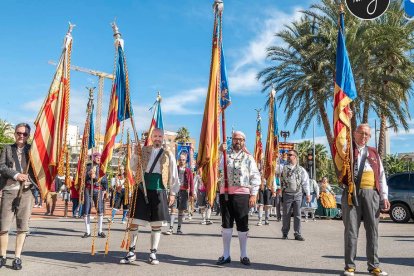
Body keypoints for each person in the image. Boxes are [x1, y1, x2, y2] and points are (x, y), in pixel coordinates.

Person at [120, 128, 179, 265]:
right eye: (155, 136)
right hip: (142, 188)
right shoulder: (143, 150)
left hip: (159, 190)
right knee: (135, 221)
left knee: (157, 224)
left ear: (163, 138)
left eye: (160, 136)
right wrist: (135, 154)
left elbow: (173, 173)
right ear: (151, 137)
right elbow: (133, 167)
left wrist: (173, 192)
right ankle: (131, 252)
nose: (157, 138)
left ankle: (153, 253)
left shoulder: (168, 154)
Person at [342, 124, 390, 276]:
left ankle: (374, 265)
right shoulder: (347, 150)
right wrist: (346, 120)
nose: (364, 136)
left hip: (372, 194)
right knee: (351, 230)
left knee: (372, 231)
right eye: (361, 133)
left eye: (367, 135)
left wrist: (384, 196)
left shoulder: (374, 152)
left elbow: (381, 176)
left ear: (369, 137)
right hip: (352, 192)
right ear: (355, 133)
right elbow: (340, 142)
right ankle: (350, 266)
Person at [216, 131, 261, 266]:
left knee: (242, 224)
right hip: (225, 194)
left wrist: (253, 194)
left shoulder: (248, 158)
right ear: (232, 140)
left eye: (241, 139)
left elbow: (255, 176)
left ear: (244, 142)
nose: (238, 142)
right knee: (226, 224)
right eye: (235, 139)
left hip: (242, 194)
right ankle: (226, 254)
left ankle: (244, 255)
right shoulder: (224, 155)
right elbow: (215, 168)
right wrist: (219, 152)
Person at [0, 123, 36, 270]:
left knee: (22, 227)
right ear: (15, 134)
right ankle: (2, 256)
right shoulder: (8, 148)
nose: (21, 136)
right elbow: (1, 166)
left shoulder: (33, 150)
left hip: (26, 192)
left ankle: (17, 257)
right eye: (19, 133)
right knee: (3, 226)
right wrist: (16, 175)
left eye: (25, 134)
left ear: (28, 136)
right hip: (9, 190)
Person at [280, 149, 310, 241]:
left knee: (297, 214)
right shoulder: (282, 167)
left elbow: (305, 182)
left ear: (295, 157)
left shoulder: (301, 169)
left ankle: (297, 234)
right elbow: (274, 174)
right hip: (287, 194)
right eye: (288, 155)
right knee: (286, 214)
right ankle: (285, 233)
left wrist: (308, 194)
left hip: (298, 194)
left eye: (290, 155)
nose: (288, 156)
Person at [165, 153, 194, 235]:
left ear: (186, 161)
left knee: (181, 211)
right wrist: (169, 190)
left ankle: (179, 229)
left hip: (184, 191)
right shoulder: (175, 169)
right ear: (178, 160)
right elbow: (170, 179)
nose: (182, 161)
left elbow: (191, 183)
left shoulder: (189, 171)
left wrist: (191, 194)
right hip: (175, 190)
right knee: (173, 209)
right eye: (180, 159)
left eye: (183, 159)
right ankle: (170, 228)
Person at [82, 152, 108, 238]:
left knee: (100, 210)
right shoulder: (87, 167)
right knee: (86, 209)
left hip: (98, 190)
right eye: (97, 157)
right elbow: (82, 178)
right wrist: (88, 174)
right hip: (88, 190)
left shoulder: (102, 168)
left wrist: (96, 177)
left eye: (100, 157)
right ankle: (88, 232)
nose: (99, 159)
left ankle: (100, 231)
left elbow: (104, 181)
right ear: (93, 158)